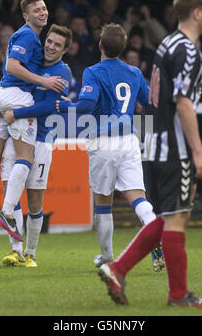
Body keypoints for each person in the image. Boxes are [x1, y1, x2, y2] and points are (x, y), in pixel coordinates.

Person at [97, 0, 202, 308]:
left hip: (156, 142)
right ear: (196, 12)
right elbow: (183, 103)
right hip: (175, 146)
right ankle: (178, 294)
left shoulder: (166, 43)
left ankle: (118, 268)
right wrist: (197, 152)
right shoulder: (188, 50)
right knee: (176, 218)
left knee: (167, 218)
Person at [56, 23, 164, 272]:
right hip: (128, 139)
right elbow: (149, 101)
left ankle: (107, 258)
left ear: (100, 45)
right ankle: (157, 240)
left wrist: (65, 107)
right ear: (123, 47)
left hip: (103, 140)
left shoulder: (93, 71)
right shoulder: (134, 72)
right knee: (138, 198)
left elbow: (85, 105)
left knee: (103, 203)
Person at [0, 0, 65, 242]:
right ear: (25, 16)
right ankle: (7, 212)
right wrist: (44, 81)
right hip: (18, 98)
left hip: (3, 95)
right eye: (36, 10)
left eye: (44, 8)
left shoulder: (33, 39)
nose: (42, 12)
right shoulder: (26, 35)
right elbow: (12, 66)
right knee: (25, 157)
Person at [0, 24, 72, 267]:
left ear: (65, 50)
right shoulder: (32, 63)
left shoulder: (63, 72)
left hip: (41, 139)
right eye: (49, 41)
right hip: (17, 134)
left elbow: (49, 106)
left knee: (35, 199)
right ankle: (16, 251)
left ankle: (31, 254)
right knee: (10, 191)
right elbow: (9, 84)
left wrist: (16, 112)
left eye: (57, 44)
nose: (51, 46)